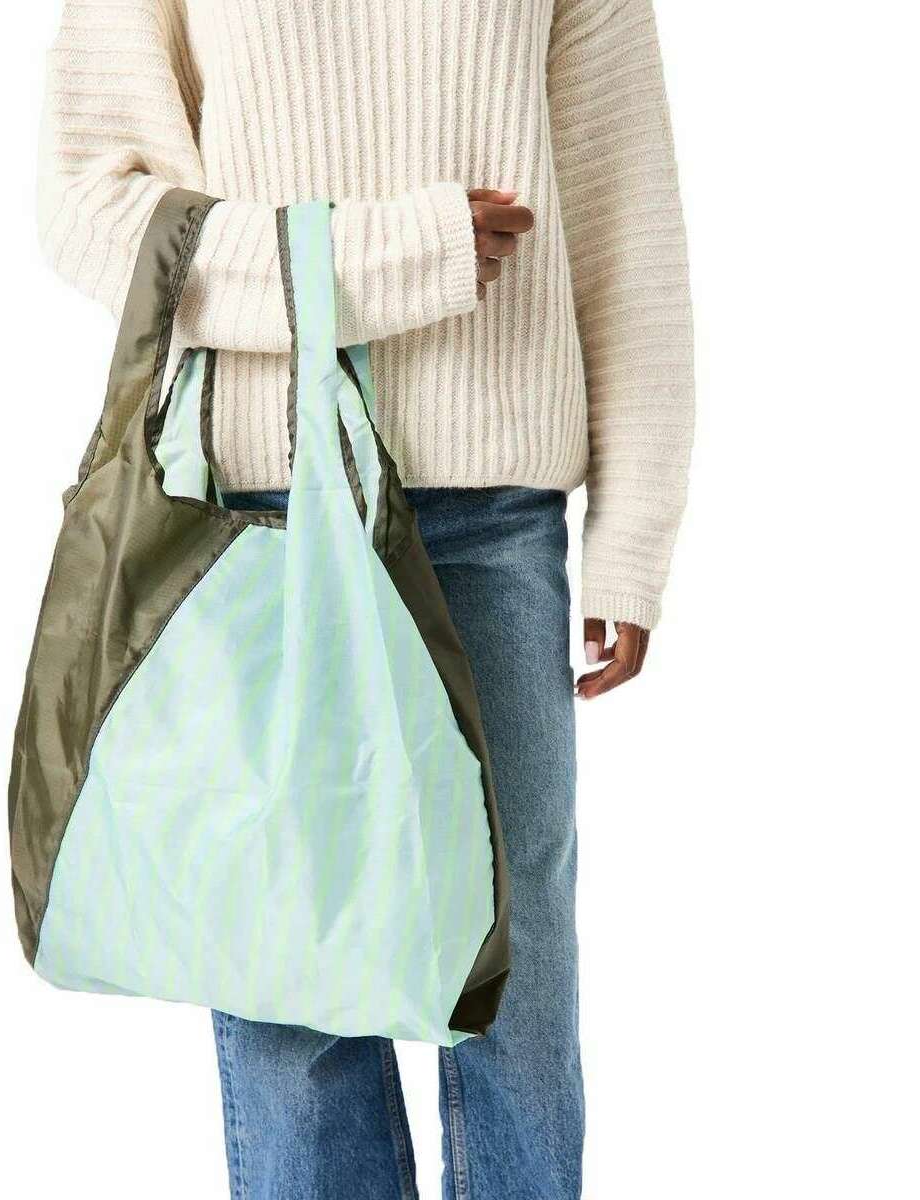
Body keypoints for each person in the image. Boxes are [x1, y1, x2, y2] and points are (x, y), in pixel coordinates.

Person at [36, 0, 693, 1196]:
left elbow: (624, 214)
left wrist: (633, 532)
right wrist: (380, 258)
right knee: (287, 984)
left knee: (517, 980)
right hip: (256, 506)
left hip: (492, 505)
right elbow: (93, 206)